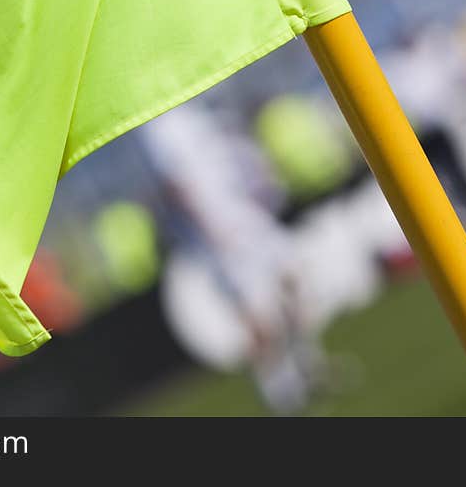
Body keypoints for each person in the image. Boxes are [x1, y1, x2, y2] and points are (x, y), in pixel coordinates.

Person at [139, 101, 327, 413]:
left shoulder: (190, 104)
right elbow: (176, 186)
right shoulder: (158, 125)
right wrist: (210, 229)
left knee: (292, 275)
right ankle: (282, 393)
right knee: (256, 314)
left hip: (243, 214)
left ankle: (306, 361)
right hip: (221, 233)